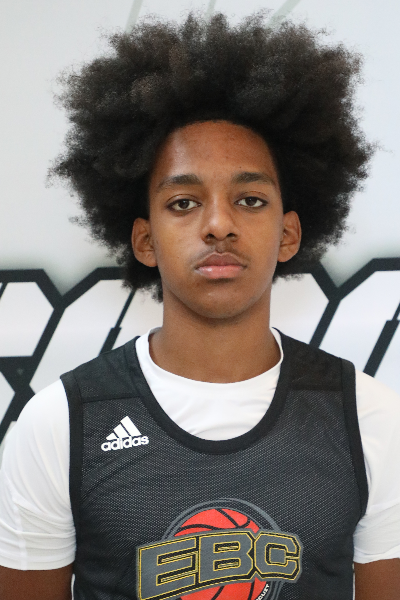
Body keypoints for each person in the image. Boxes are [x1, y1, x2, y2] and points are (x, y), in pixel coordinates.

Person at [0, 12, 399, 600]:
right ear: (144, 240)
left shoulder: (370, 418)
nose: (218, 225)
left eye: (250, 199)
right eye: (184, 203)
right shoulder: (59, 423)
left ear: (288, 235)